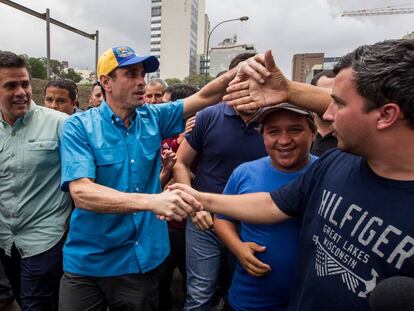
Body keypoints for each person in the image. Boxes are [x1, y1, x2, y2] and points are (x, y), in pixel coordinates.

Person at [171, 39, 414, 310]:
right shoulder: (334, 163)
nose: (328, 115)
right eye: (273, 131)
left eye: (338, 104)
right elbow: (272, 204)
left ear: (387, 115)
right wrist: (197, 199)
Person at [58, 45, 244, 311]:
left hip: (139, 260)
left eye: (142, 74)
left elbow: (205, 96)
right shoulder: (79, 126)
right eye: (131, 74)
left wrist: (237, 72)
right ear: (105, 82)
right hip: (88, 261)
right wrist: (152, 201)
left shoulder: (153, 117)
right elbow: (82, 193)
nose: (140, 82)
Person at [173, 52, 266, 311]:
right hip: (205, 222)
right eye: (240, 79)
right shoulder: (208, 116)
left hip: (254, 223)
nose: (247, 87)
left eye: (255, 80)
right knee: (200, 294)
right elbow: (181, 163)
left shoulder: (275, 121)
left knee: (241, 293)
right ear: (230, 83)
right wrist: (194, 207)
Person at [214, 103, 317, 311]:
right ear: (263, 137)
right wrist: (238, 248)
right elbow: (223, 218)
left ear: (314, 133)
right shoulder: (244, 173)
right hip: (249, 299)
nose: (284, 140)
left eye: (295, 130)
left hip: (311, 300)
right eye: (273, 132)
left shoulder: (327, 173)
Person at [0, 51, 72, 311]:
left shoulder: (61, 125)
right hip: (5, 241)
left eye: (25, 84)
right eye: (10, 85)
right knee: (21, 298)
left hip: (46, 240)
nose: (21, 92)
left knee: (36, 304)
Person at [158, 83, 199, 311]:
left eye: (166, 106)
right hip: (166, 224)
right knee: (161, 280)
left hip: (196, 224)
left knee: (194, 283)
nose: (160, 111)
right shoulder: (163, 138)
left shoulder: (205, 135)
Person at [309, 70, 337, 156]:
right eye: (324, 93)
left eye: (335, 96)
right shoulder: (300, 132)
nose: (329, 100)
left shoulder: (352, 139)